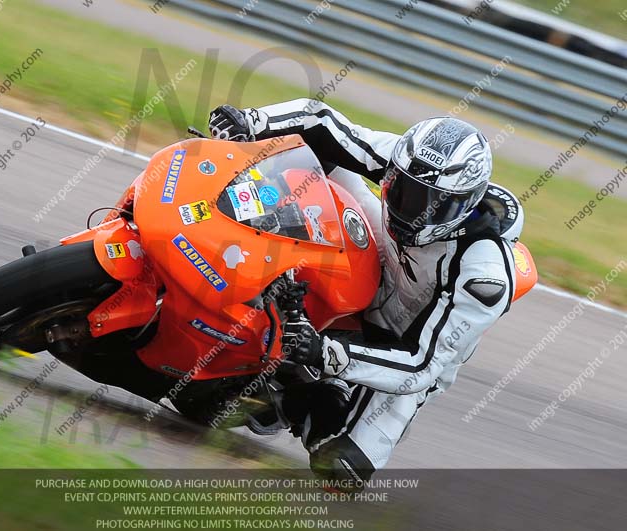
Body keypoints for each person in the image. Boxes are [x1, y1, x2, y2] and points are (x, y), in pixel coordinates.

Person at [209, 100, 524, 483]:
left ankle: (290, 393)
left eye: (429, 205)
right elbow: (318, 120)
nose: (411, 212)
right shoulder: (405, 159)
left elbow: (421, 363)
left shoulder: (483, 276)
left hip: (404, 343)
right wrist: (251, 123)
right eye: (403, 191)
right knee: (311, 157)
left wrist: (327, 354)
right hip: (380, 252)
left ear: (465, 205)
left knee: (340, 467)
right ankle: (224, 239)